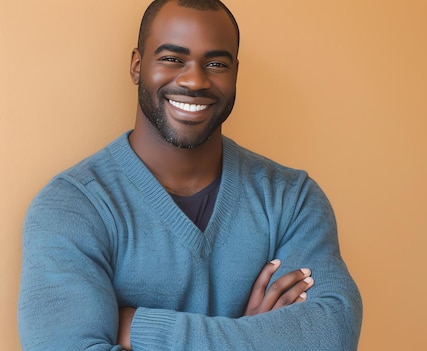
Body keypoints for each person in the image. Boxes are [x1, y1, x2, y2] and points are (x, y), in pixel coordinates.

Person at [17, 0, 362, 350]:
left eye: (215, 63)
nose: (195, 80)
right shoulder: (71, 206)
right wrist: (251, 335)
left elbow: (330, 336)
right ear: (137, 66)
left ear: (236, 73)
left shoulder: (292, 199)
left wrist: (137, 326)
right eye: (172, 59)